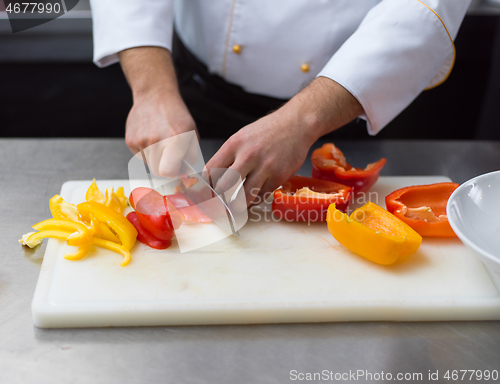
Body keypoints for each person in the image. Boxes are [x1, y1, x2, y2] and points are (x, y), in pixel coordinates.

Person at [90, 0, 471, 206]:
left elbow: (424, 5)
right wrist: (153, 89)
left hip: (351, 98)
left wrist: (302, 119)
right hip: (196, 92)